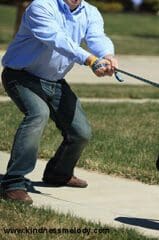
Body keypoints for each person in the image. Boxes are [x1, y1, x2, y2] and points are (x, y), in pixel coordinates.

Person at [1, 0, 117, 204]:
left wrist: (107, 56)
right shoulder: (41, 6)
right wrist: (90, 60)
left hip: (55, 81)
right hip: (20, 76)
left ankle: (58, 174)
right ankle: (13, 183)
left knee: (80, 133)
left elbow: (97, 37)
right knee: (38, 114)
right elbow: (56, 39)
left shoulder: (90, 12)